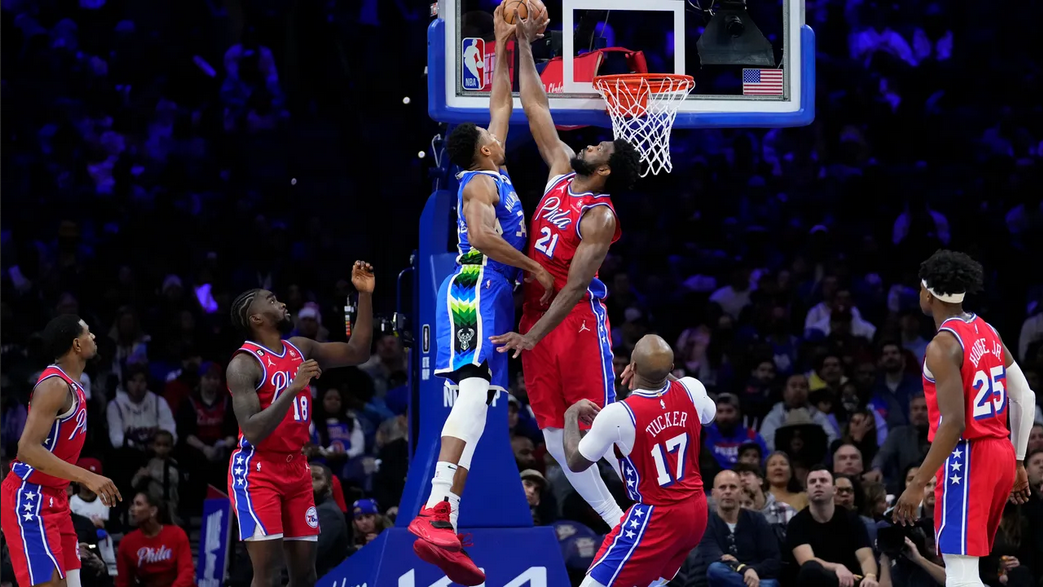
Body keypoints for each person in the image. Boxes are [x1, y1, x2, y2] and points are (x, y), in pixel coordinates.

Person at [407, 7, 553, 587]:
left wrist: (505, 44)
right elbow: (485, 239)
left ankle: (445, 515)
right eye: (493, 137)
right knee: (471, 391)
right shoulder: (479, 183)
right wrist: (534, 268)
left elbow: (501, 103)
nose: (500, 133)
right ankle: (433, 509)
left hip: (492, 293)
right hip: (474, 287)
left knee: (479, 405)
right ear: (485, 151)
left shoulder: (493, 168)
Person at [489, 2, 642, 535]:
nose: (590, 142)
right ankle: (619, 522)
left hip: (572, 321)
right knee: (555, 434)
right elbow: (535, 106)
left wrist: (532, 336)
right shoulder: (559, 171)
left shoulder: (600, 215)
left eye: (599, 146)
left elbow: (576, 286)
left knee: (598, 423)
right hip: (534, 317)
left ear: (604, 170)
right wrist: (522, 45)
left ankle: (650, 502)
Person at [226, 261, 374, 587]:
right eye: (271, 300)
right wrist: (293, 388)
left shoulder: (300, 348)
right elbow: (253, 430)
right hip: (258, 470)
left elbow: (358, 352)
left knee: (305, 575)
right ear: (256, 318)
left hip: (296, 468)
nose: (280, 302)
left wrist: (364, 295)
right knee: (267, 575)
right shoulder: (243, 364)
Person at [894, 249, 1037, 586]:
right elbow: (1025, 396)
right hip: (1001, 452)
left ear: (927, 294)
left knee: (960, 575)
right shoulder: (988, 331)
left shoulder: (943, 345)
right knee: (968, 572)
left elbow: (954, 423)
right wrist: (1018, 461)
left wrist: (917, 484)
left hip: (968, 457)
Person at [561, 335, 716, 587]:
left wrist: (570, 415)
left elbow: (575, 462)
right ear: (671, 368)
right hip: (696, 509)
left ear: (632, 367)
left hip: (658, 514)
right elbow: (709, 417)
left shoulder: (619, 414)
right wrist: (662, 373)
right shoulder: (692, 388)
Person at [1, 315, 121, 587]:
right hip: (30, 496)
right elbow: (27, 449)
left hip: (55, 497)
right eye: (88, 333)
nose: (93, 337)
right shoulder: (54, 385)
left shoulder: (75, 384)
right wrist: (86, 476)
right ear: (77, 344)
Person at [787, 467, 878, 587]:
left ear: (834, 490)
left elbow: (866, 556)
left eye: (823, 480)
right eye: (813, 481)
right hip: (816, 581)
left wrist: (870, 576)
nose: (818, 484)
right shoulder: (797, 523)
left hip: (849, 581)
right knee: (810, 570)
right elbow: (808, 561)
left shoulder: (852, 519)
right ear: (806, 491)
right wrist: (837, 567)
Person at [700, 470, 782, 587]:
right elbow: (713, 558)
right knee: (715, 569)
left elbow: (773, 559)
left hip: (756, 578)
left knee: (771, 584)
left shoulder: (757, 519)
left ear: (741, 492)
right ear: (713, 494)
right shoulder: (705, 524)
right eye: (722, 487)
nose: (728, 491)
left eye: (733, 487)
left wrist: (753, 570)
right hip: (722, 582)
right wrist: (743, 569)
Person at [115, 491, 194, 587]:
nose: (132, 509)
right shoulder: (126, 542)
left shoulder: (177, 534)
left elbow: (186, 571)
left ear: (153, 511)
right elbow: (123, 582)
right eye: (132, 504)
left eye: (138, 504)